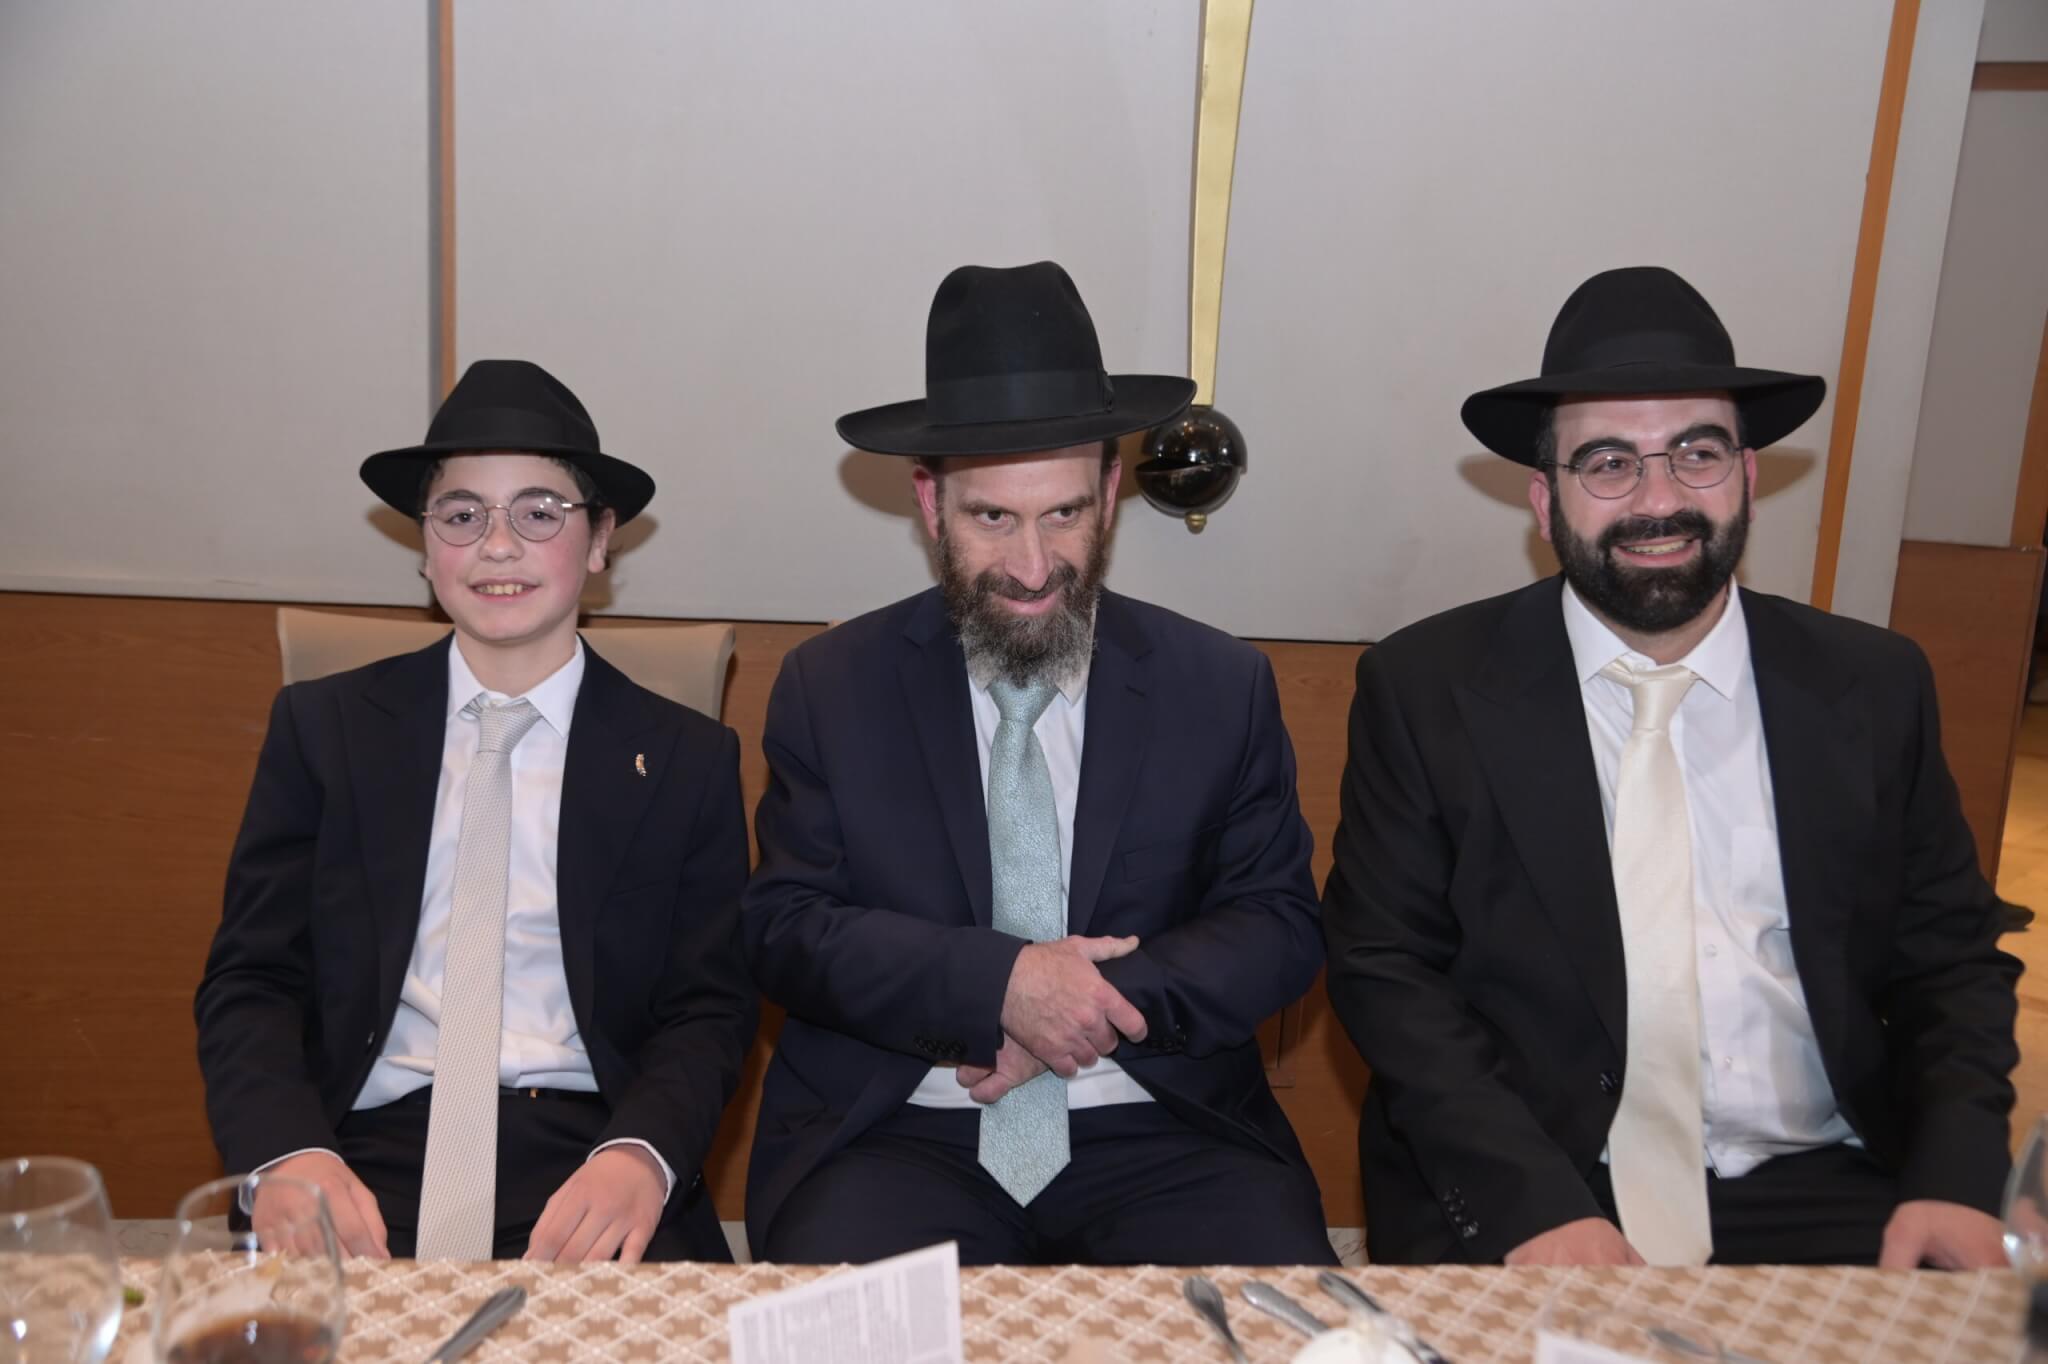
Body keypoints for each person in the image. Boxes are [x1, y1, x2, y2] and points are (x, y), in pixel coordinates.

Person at [1322, 266, 2022, 1268]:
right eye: (1608, 462)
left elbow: (1948, 959)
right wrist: (1531, 1207)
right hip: (1544, 1182)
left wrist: (1955, 1176)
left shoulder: (1873, 685)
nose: (1659, 499)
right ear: (1543, 499)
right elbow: (1386, 971)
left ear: (1747, 476)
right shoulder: (1424, 687)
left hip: (1826, 1178)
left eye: (1696, 453)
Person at [742, 261, 1333, 1265]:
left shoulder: (1218, 683)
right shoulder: (829, 684)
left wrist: (1079, 1007)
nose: (1030, 566)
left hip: (1166, 1132)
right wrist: (999, 985)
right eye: (992, 518)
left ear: (1110, 492)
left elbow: (1277, 925)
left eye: (1063, 513)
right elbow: (789, 929)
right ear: (929, 502)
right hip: (899, 1136)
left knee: (1278, 1331)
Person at [195, 360, 755, 1262]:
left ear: (601, 540)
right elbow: (251, 980)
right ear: (425, 547)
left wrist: (644, 1155)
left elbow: (710, 1006)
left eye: (540, 512)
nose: (498, 546)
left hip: (594, 1146)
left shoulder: (687, 758)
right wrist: (287, 1152)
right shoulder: (326, 729)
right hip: (360, 1147)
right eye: (462, 515)